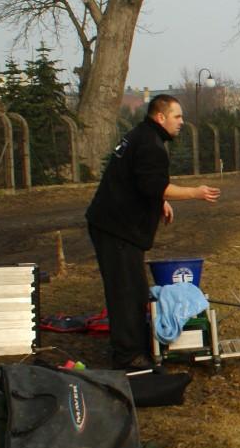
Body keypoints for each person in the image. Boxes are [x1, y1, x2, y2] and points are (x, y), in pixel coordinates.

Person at [86, 94, 221, 370]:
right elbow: (153, 185)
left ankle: (133, 347)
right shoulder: (150, 144)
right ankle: (128, 357)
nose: (182, 122)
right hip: (116, 227)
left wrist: (160, 201)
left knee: (133, 288)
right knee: (125, 291)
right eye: (177, 116)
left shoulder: (142, 136)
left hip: (114, 224)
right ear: (160, 117)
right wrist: (195, 192)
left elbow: (140, 181)